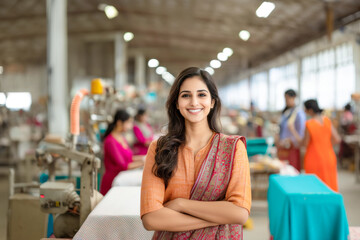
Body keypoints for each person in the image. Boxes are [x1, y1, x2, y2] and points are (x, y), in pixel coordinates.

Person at [140, 67, 251, 239]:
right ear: (176, 103)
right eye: (185, 95)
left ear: (212, 101)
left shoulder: (233, 148)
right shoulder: (160, 148)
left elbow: (239, 213)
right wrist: (218, 218)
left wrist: (180, 204)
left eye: (201, 95)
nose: (194, 102)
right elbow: (151, 218)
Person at [100, 109, 144, 195]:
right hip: (112, 181)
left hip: (122, 179)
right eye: (128, 123)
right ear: (119, 123)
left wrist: (145, 157)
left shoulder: (121, 137)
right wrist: (144, 162)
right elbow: (123, 166)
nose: (130, 126)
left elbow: (129, 157)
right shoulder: (110, 141)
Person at [303, 99, 341, 192]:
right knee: (329, 185)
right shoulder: (327, 120)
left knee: (315, 187)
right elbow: (337, 139)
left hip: (314, 158)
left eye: (305, 109)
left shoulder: (309, 124)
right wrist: (326, 145)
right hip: (329, 156)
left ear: (310, 110)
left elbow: (305, 143)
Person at [277, 89, 306, 171]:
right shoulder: (286, 112)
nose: (286, 101)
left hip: (293, 148)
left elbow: (301, 133)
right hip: (283, 147)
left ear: (294, 98)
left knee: (292, 170)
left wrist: (290, 140)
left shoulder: (298, 113)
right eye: (285, 99)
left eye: (287, 98)